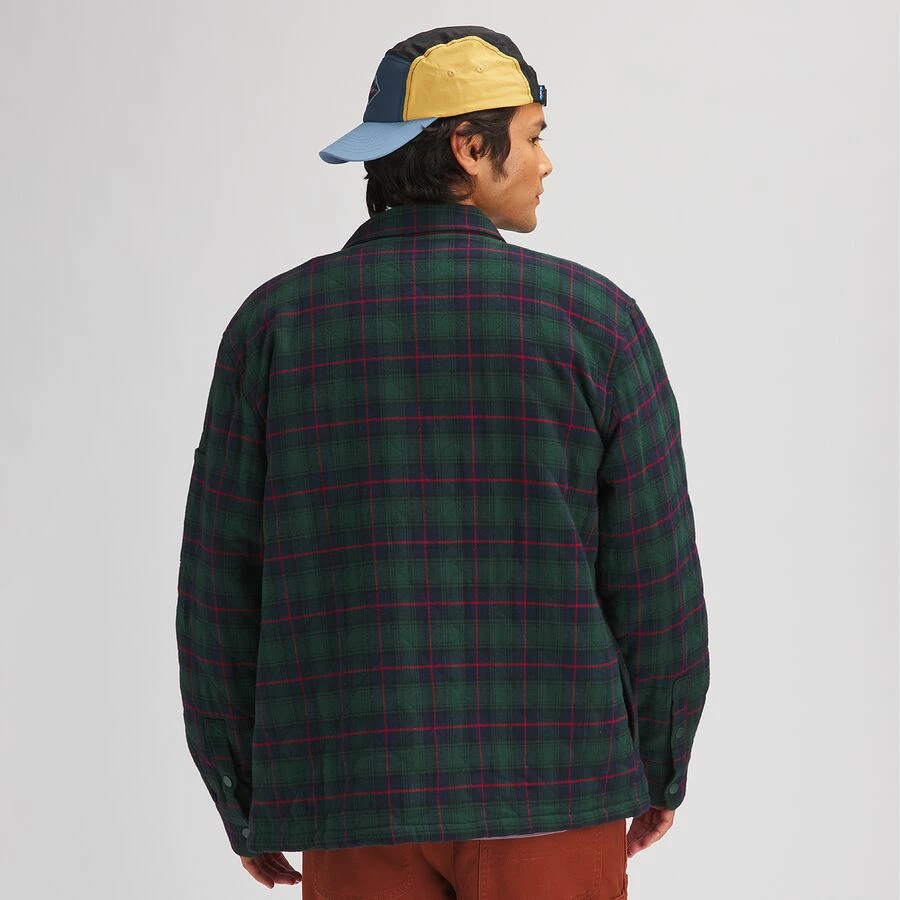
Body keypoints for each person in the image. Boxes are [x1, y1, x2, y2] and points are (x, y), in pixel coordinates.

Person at [175, 24, 711, 899]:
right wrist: (658, 764)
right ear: (468, 146)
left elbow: (218, 590)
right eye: (532, 136)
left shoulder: (274, 328)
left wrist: (242, 789)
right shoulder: (595, 322)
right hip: (557, 788)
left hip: (354, 798)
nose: (545, 162)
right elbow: (656, 581)